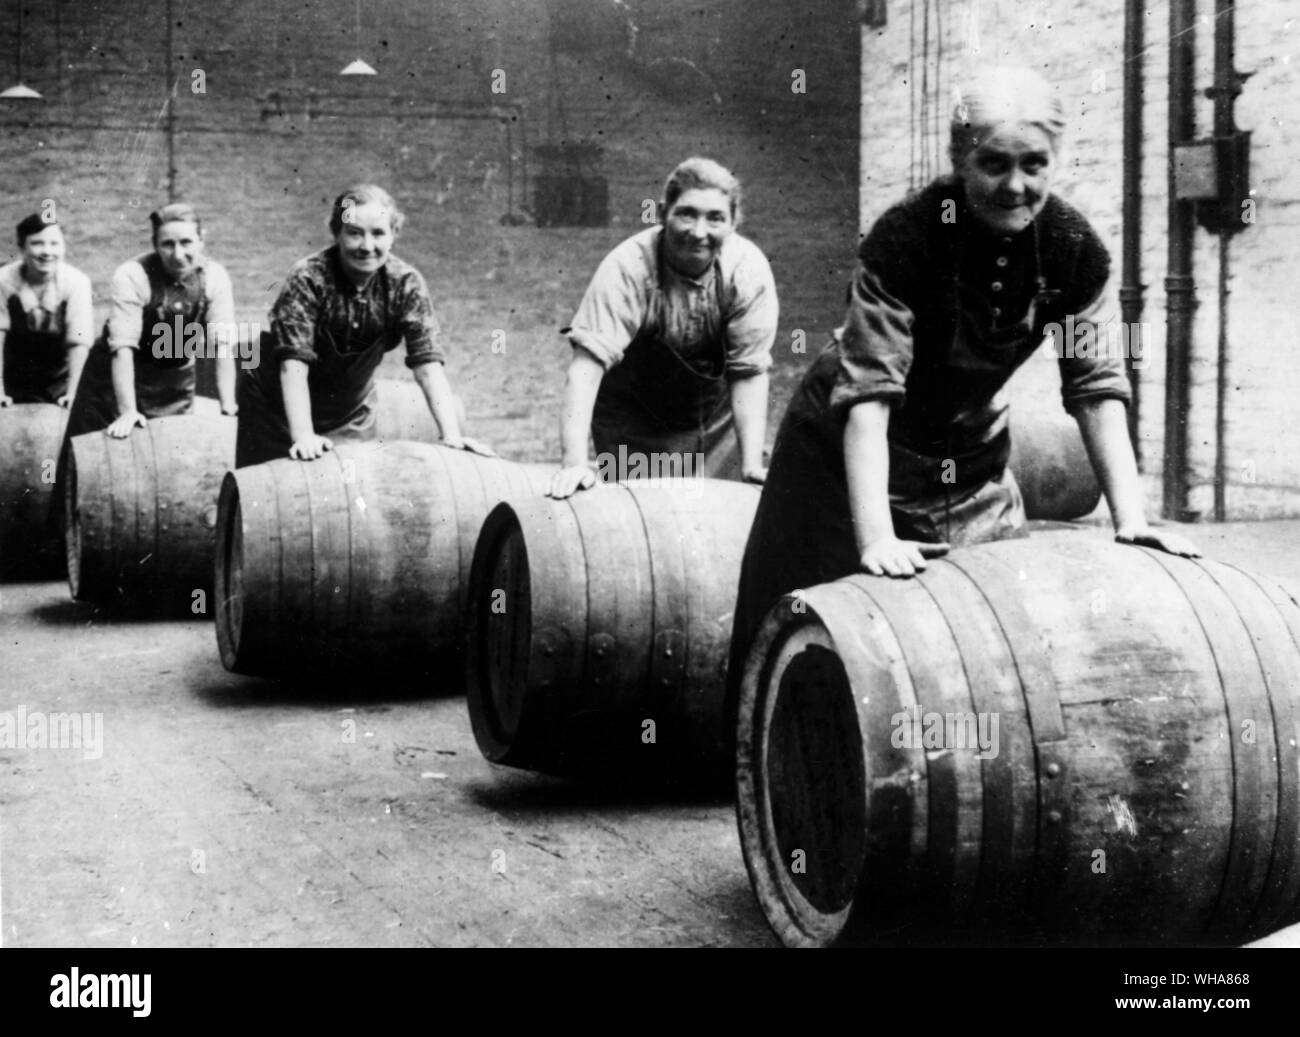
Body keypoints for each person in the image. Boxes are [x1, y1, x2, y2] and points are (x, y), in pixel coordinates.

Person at [727, 66, 1200, 710]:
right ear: (960, 159)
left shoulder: (1072, 249)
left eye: (1035, 164)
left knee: (991, 631)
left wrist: (1132, 520)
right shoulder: (906, 239)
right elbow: (871, 398)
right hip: (844, 448)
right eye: (994, 164)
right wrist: (874, 538)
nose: (1015, 185)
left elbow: (1095, 388)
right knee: (808, 621)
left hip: (965, 440)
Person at [547, 156, 778, 498]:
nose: (698, 232)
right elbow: (586, 368)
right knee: (641, 520)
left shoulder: (747, 271)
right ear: (661, 213)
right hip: (632, 422)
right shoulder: (627, 268)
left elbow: (748, 372)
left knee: (715, 515)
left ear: (733, 224)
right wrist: (574, 463)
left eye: (715, 218)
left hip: (710, 423)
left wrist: (750, 464)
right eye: (687, 213)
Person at [234, 183, 489, 467]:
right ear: (337, 234)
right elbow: (292, 365)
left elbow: (428, 367)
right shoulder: (308, 277)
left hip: (349, 412)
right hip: (275, 407)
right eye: (355, 233)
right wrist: (304, 436)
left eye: (378, 233)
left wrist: (451, 436)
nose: (367, 246)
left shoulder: (406, 284)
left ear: (394, 234)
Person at [64, 202, 238, 440]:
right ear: (155, 244)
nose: (178, 255)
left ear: (201, 240)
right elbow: (122, 348)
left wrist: (228, 405)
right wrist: (127, 411)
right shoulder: (133, 275)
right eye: (168, 244)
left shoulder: (215, 277)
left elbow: (224, 346)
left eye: (186, 242)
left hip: (174, 381)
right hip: (115, 382)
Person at [0, 213, 93, 407]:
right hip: (11, 379)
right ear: (21, 247)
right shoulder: (4, 281)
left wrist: (73, 393)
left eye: (54, 244)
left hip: (60, 381)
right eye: (36, 243)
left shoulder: (76, 282)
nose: (46, 252)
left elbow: (78, 343)